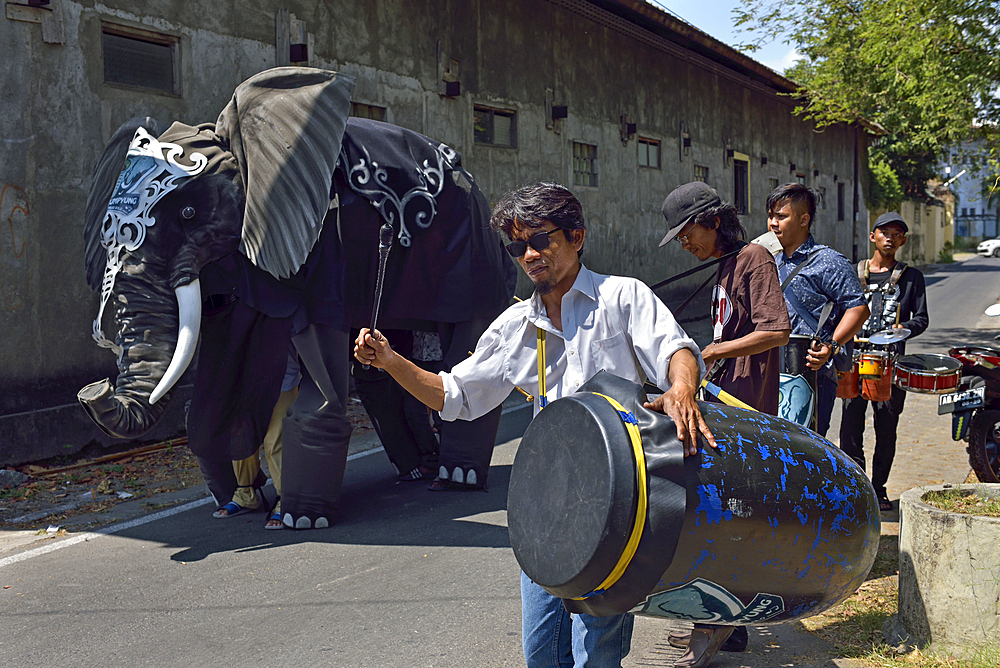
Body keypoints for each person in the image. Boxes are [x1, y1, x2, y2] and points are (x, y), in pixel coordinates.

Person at [355, 182, 717, 668]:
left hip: (618, 503)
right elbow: (453, 396)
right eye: (517, 245)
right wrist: (391, 361)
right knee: (541, 651)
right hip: (545, 505)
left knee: (599, 652)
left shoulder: (622, 297)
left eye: (540, 240)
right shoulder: (513, 328)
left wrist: (680, 389)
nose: (529, 254)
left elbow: (675, 350)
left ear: (576, 237)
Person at [660, 182, 790, 667]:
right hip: (727, 404)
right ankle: (723, 625)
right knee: (719, 514)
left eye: (686, 232)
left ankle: (719, 626)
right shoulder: (726, 265)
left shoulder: (754, 258)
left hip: (748, 407)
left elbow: (777, 329)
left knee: (734, 518)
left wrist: (713, 351)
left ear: (713, 221)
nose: (683, 243)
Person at [839, 212, 928, 512]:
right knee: (849, 428)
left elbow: (922, 318)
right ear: (872, 236)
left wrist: (906, 329)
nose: (890, 238)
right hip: (853, 360)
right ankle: (855, 488)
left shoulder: (912, 277)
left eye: (896, 234)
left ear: (902, 240)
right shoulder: (853, 272)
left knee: (886, 427)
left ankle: (878, 489)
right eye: (884, 232)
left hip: (890, 364)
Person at [767, 183, 870, 437]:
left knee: (804, 450)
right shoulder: (769, 260)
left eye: (781, 216)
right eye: (770, 216)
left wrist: (831, 346)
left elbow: (858, 308)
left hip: (812, 375)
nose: (772, 223)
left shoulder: (829, 261)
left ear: (804, 219)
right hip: (772, 376)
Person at [213, 351, 300, 529]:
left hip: (282, 377)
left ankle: (287, 501)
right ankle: (245, 493)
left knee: (275, 440)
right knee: (241, 437)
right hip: (244, 381)